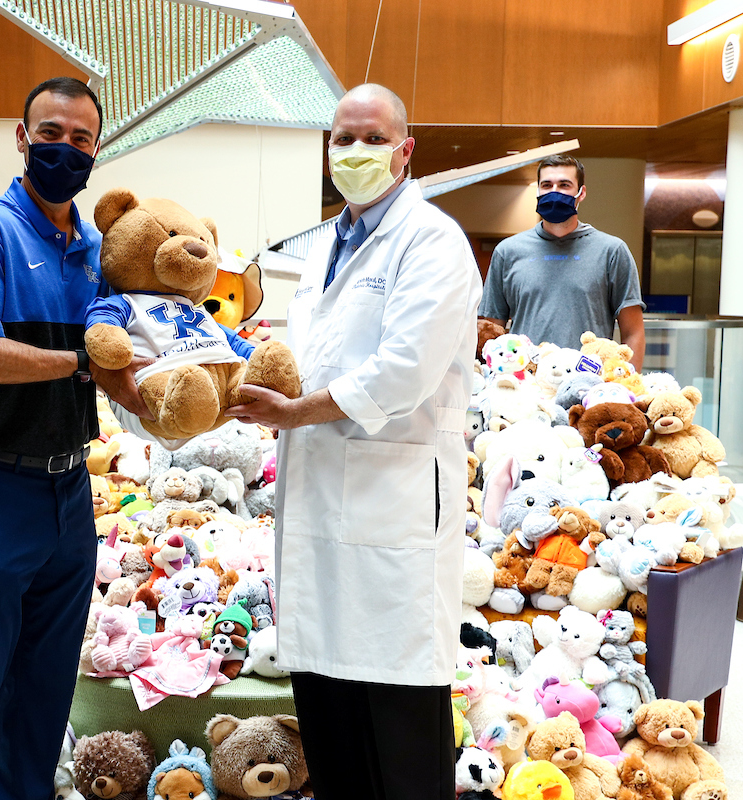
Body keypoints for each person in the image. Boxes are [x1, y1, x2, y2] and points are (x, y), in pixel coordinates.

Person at [228, 83, 481, 800]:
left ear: (406, 150)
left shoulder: (431, 242)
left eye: (373, 138)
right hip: (319, 514)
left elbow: (403, 370)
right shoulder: (324, 249)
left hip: (392, 512)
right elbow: (308, 357)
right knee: (333, 732)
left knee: (399, 739)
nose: (356, 151)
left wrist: (296, 411)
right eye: (344, 138)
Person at [0, 77, 148, 800]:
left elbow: (127, 347)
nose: (65, 149)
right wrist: (80, 362)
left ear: (96, 150)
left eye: (80, 139)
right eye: (50, 134)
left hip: (68, 489)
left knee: (48, 688)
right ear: (22, 138)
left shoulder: (94, 248)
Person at [479, 154, 647, 369]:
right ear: (538, 191)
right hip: (526, 384)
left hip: (588, 384)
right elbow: (492, 332)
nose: (554, 191)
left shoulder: (611, 251)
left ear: (581, 193)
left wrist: (625, 388)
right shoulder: (508, 251)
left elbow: (633, 332)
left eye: (564, 185)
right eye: (547, 185)